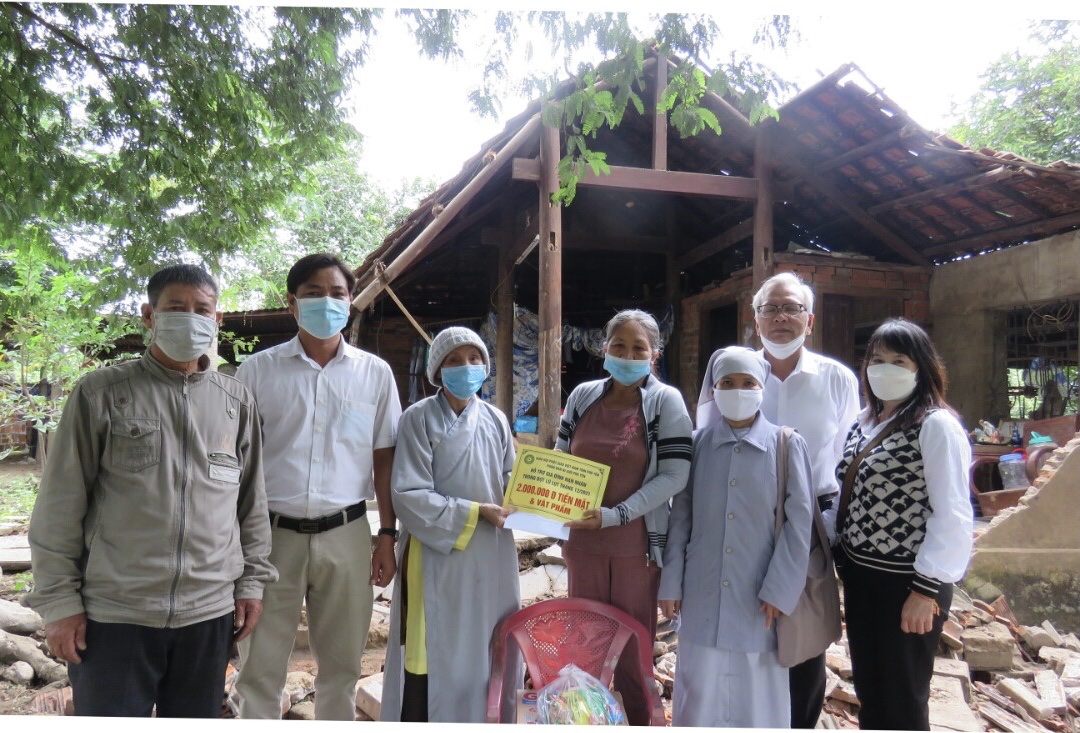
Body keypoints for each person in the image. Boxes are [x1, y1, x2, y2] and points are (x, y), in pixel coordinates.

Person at [27, 264, 276, 717]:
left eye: (202, 309)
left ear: (217, 320)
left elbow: (251, 504)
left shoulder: (235, 401)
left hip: (209, 614)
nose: (191, 318)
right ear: (149, 315)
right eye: (176, 308)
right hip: (116, 615)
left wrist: (252, 583)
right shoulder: (102, 393)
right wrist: (60, 602)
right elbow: (59, 507)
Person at [232, 253, 402, 720]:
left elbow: (383, 456)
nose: (326, 302)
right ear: (292, 303)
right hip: (269, 537)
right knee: (259, 667)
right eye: (313, 293)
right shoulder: (257, 371)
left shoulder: (375, 374)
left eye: (337, 293)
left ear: (351, 302)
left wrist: (387, 534)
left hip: (346, 533)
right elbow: (238, 460)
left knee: (342, 666)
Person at [659, 346, 814, 727]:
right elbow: (680, 518)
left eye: (748, 382)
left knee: (757, 700)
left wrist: (779, 589)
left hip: (758, 597)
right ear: (714, 389)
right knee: (700, 694)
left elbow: (800, 526)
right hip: (702, 592)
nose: (738, 390)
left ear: (762, 388)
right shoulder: (696, 445)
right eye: (727, 383)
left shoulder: (787, 444)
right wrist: (671, 583)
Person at [833, 318, 973, 731]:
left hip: (908, 587)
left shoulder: (935, 426)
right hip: (863, 581)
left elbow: (953, 514)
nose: (885, 369)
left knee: (903, 696)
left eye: (899, 360)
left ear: (922, 369)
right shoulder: (864, 422)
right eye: (877, 359)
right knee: (872, 689)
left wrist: (924, 591)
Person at [554, 308, 692, 726]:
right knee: (585, 648)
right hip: (583, 545)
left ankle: (641, 722)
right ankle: (586, 722)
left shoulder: (665, 402)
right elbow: (561, 457)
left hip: (636, 548)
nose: (627, 354)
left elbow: (675, 474)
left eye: (638, 348)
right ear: (604, 349)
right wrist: (545, 503)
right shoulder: (582, 396)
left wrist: (616, 515)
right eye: (619, 346)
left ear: (655, 353)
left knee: (634, 653)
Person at [380, 327, 521, 722]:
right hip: (436, 549)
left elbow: (512, 477)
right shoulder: (417, 418)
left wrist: (538, 497)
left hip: (490, 553)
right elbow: (407, 493)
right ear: (437, 370)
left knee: (485, 641)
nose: (466, 368)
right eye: (454, 360)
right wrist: (475, 511)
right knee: (432, 647)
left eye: (474, 359)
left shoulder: (495, 419)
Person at [752, 271, 860, 728]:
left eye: (791, 308)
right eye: (770, 308)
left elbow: (849, 456)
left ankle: (800, 722)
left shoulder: (836, 378)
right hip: (747, 514)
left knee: (804, 629)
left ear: (809, 319)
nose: (780, 317)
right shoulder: (738, 373)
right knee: (752, 619)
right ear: (755, 319)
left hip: (815, 516)